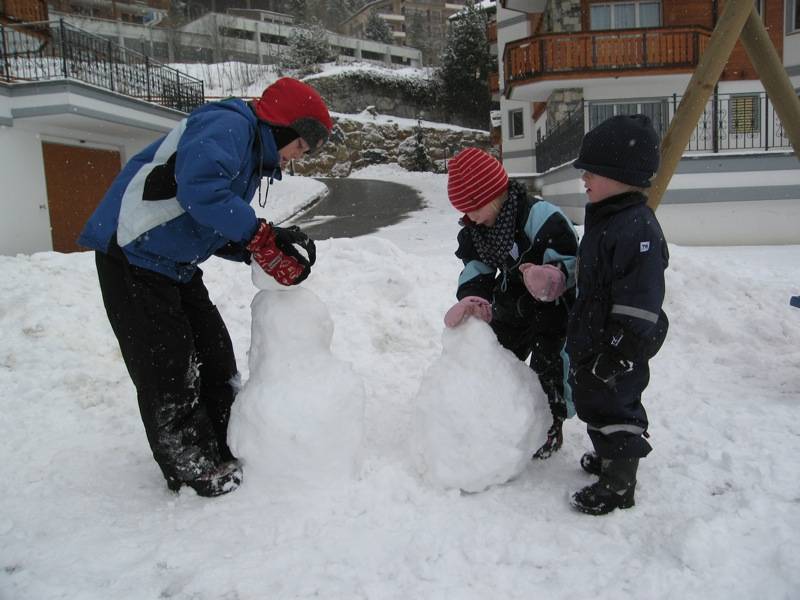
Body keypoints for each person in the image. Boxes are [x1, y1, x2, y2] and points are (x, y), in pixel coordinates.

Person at [78, 77, 333, 497]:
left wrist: (262, 249)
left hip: (174, 264)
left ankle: (224, 443)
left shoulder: (249, 154)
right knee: (168, 368)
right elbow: (200, 191)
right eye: (300, 147)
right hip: (132, 253)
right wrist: (260, 234)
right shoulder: (228, 124)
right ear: (285, 127)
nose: (295, 159)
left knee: (215, 357)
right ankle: (190, 463)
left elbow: (208, 222)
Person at [443, 147, 579, 459]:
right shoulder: (478, 230)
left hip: (552, 307)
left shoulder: (541, 219)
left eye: (473, 208)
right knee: (500, 355)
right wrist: (472, 298)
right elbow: (477, 267)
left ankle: (551, 424)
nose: (469, 217)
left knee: (550, 363)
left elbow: (569, 260)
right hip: (513, 302)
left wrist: (550, 277)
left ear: (493, 195)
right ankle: (501, 415)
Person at [567, 114, 669, 515]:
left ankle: (620, 483)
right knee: (594, 400)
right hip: (596, 337)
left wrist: (618, 348)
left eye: (592, 171)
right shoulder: (610, 219)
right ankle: (609, 457)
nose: (584, 178)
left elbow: (640, 299)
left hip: (619, 345)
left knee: (618, 406)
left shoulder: (637, 228)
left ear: (620, 175)